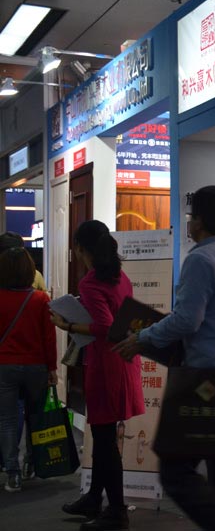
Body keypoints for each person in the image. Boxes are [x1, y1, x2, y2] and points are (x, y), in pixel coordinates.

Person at [112, 185, 215, 531]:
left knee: (175, 472)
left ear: (200, 221)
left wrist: (142, 338)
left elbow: (187, 320)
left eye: (191, 216)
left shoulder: (201, 260)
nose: (189, 222)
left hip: (203, 384)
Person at [50, 220, 144, 530]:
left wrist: (67, 325)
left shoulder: (91, 283)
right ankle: (93, 498)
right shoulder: (120, 276)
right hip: (123, 361)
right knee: (105, 436)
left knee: (104, 441)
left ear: (79, 248)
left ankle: (116, 511)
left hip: (106, 366)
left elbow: (104, 327)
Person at [0, 248, 56, 492]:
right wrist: (52, 368)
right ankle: (30, 464)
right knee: (35, 417)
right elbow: (49, 338)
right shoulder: (41, 299)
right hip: (36, 366)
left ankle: (12, 474)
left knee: (7, 420)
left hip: (5, 366)